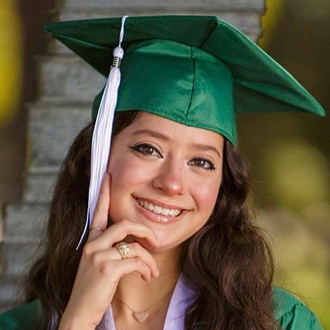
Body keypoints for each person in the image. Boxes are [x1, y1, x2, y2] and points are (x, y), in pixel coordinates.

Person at [0, 15, 326, 330]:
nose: (172, 184)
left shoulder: (279, 322)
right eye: (149, 149)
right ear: (95, 157)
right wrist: (76, 323)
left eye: (201, 162)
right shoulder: (20, 325)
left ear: (223, 183)